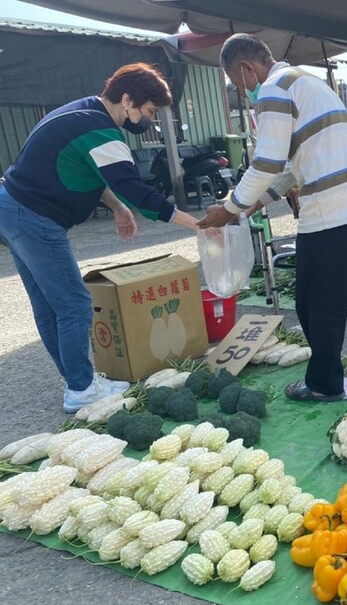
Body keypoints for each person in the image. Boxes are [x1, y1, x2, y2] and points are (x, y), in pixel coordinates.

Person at [197, 33, 347, 402]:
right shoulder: (310, 83)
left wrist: (229, 208)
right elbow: (294, 169)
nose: (242, 90)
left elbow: (267, 162)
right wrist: (252, 206)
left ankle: (324, 383)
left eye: (237, 81)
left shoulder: (273, 90)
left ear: (247, 68)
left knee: (315, 300)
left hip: (328, 214)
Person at [0, 63, 199, 413]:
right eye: (150, 111)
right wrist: (197, 224)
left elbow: (91, 169)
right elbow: (138, 192)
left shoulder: (84, 110)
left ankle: (78, 381)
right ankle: (80, 388)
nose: (149, 120)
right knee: (75, 303)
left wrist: (117, 207)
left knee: (49, 304)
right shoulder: (101, 130)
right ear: (128, 100)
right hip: (34, 216)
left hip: (12, 206)